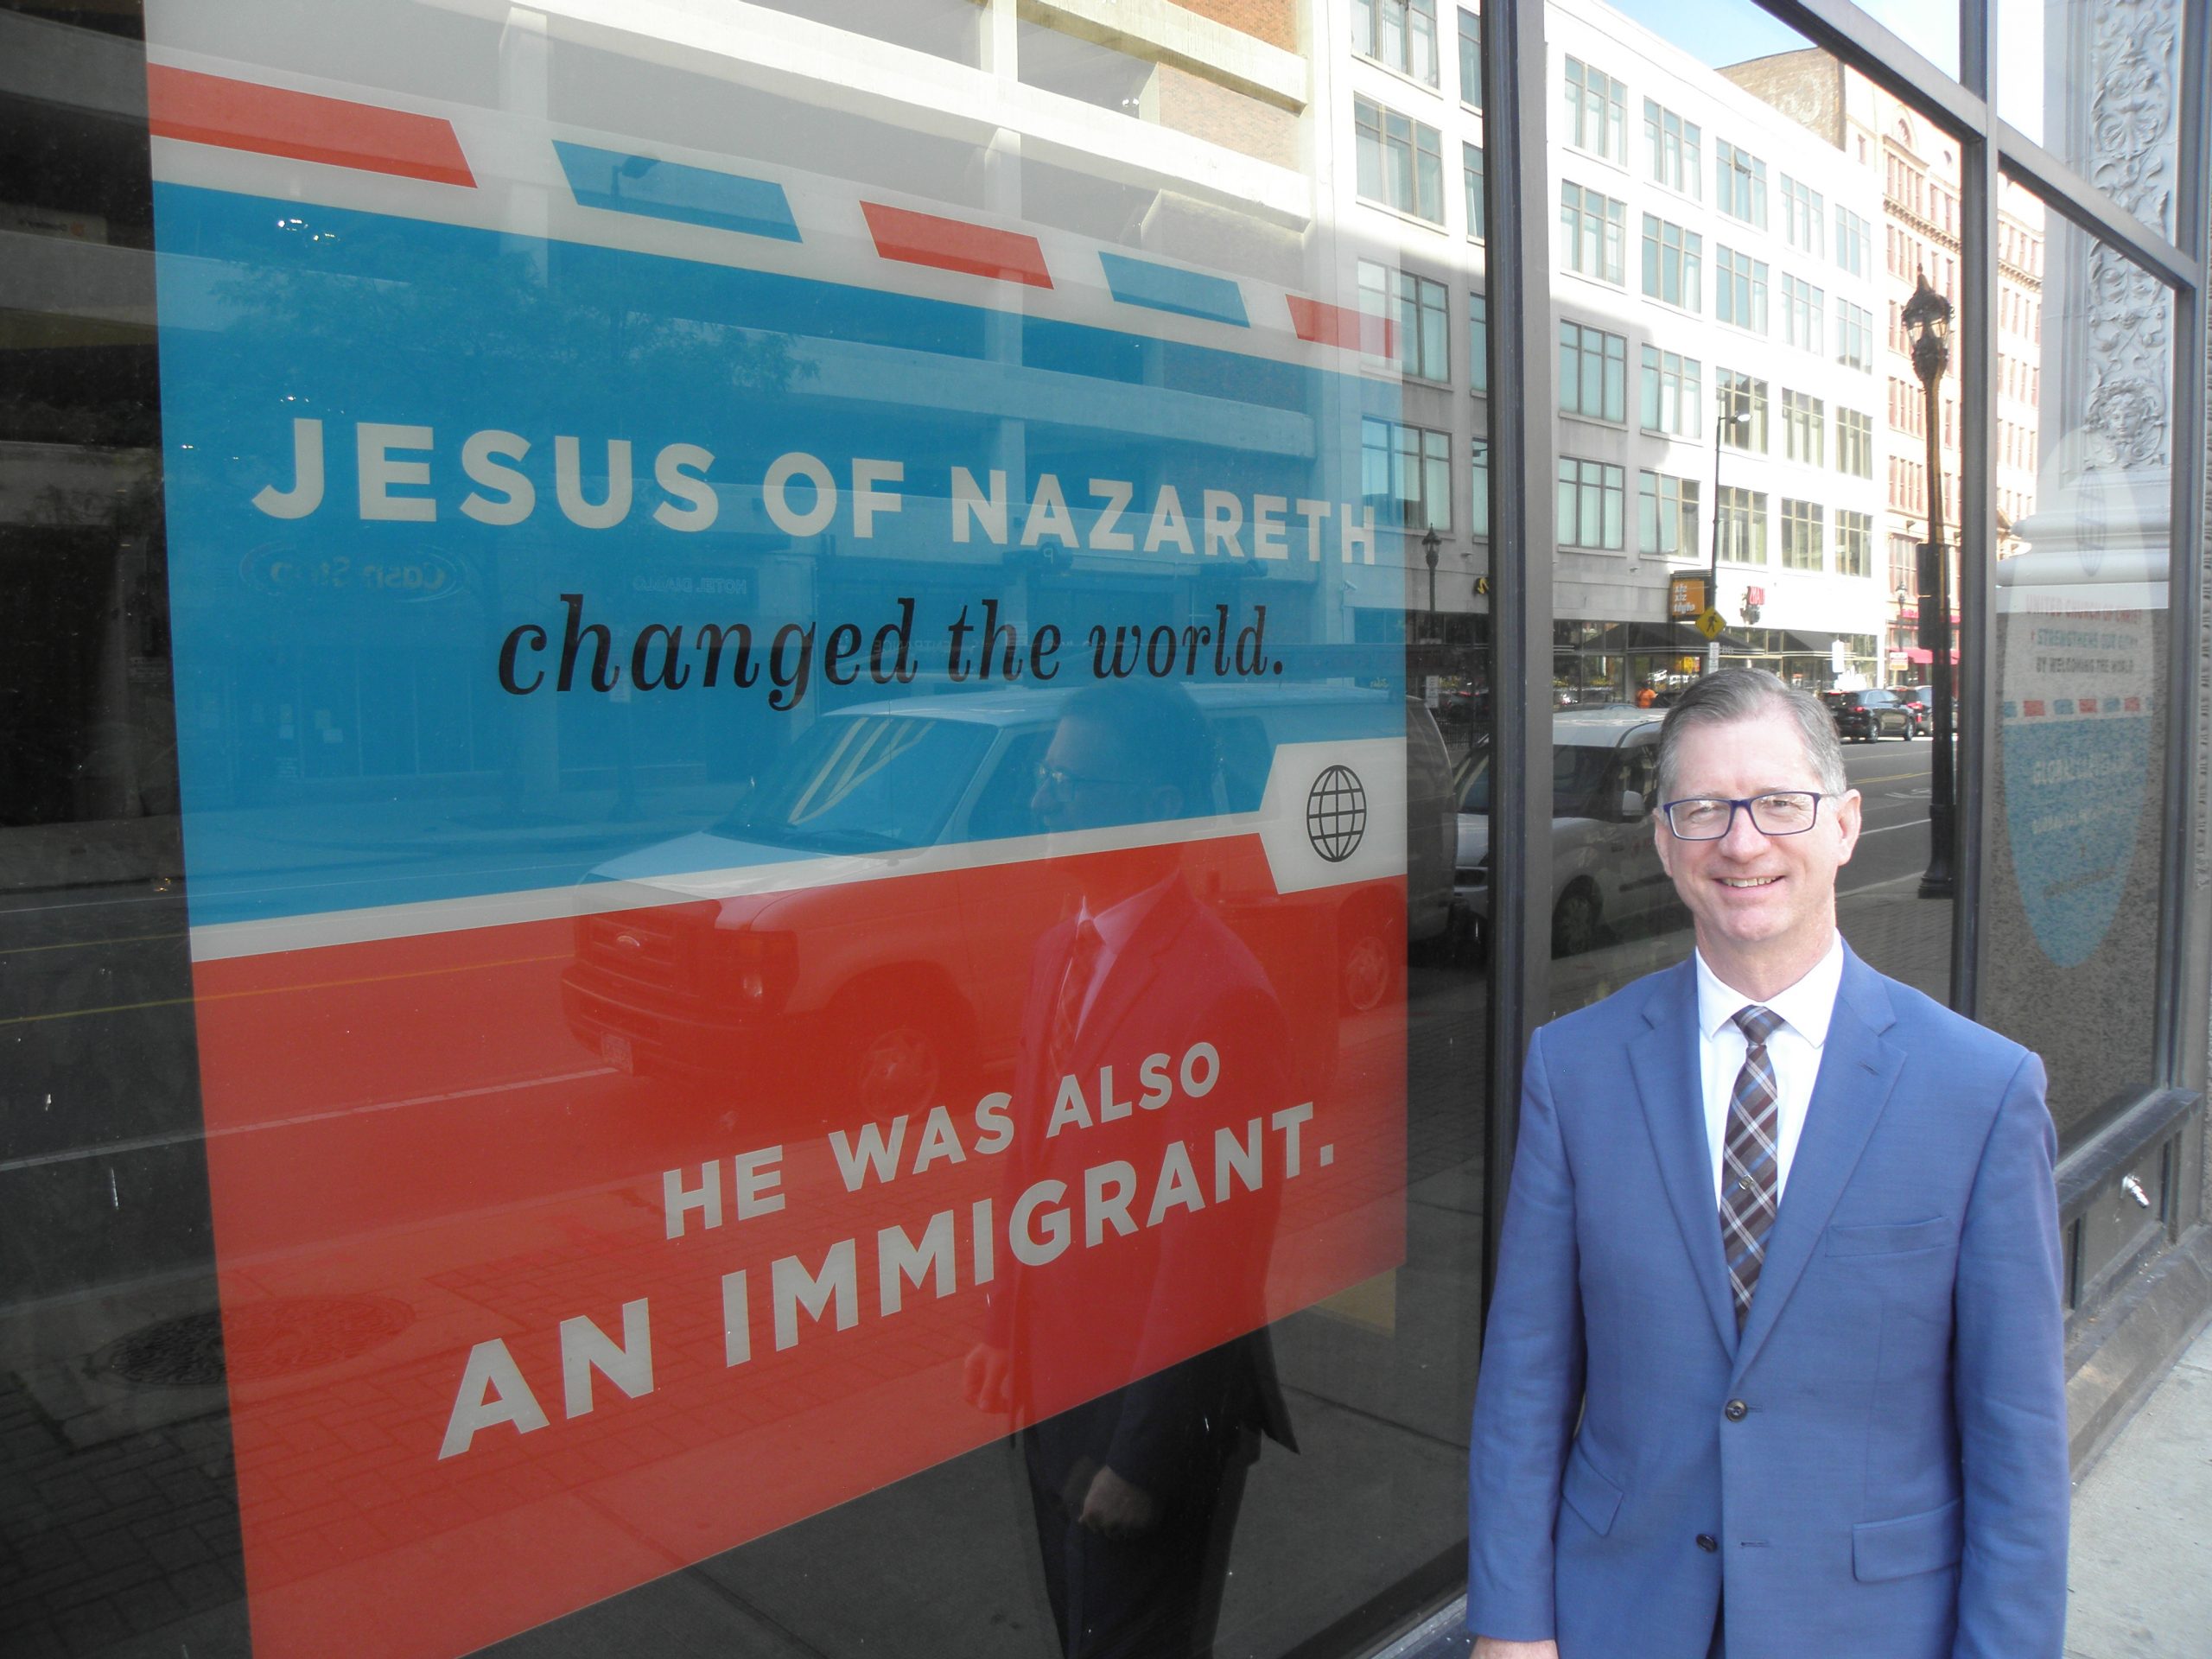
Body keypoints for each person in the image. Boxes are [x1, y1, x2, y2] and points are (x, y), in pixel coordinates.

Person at [1467, 668, 2068, 1659]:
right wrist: (1508, 1621)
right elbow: (1524, 1380)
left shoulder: (1981, 1092)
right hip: (1615, 1614)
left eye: (1780, 804)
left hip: (1868, 1625)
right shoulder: (1572, 1070)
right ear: (1664, 842)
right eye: (1701, 810)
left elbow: (2018, 1440)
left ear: (1844, 824)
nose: (1741, 842)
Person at [963, 681, 1296, 1659]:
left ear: (1153, 808)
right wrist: (1001, 1324)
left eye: (1069, 781)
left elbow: (1213, 1255)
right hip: (1052, 1391)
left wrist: (1142, 1463)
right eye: (1043, 774)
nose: (1039, 801)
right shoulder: (1053, 952)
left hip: (1143, 1424)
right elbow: (1031, 1161)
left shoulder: (1221, 991)